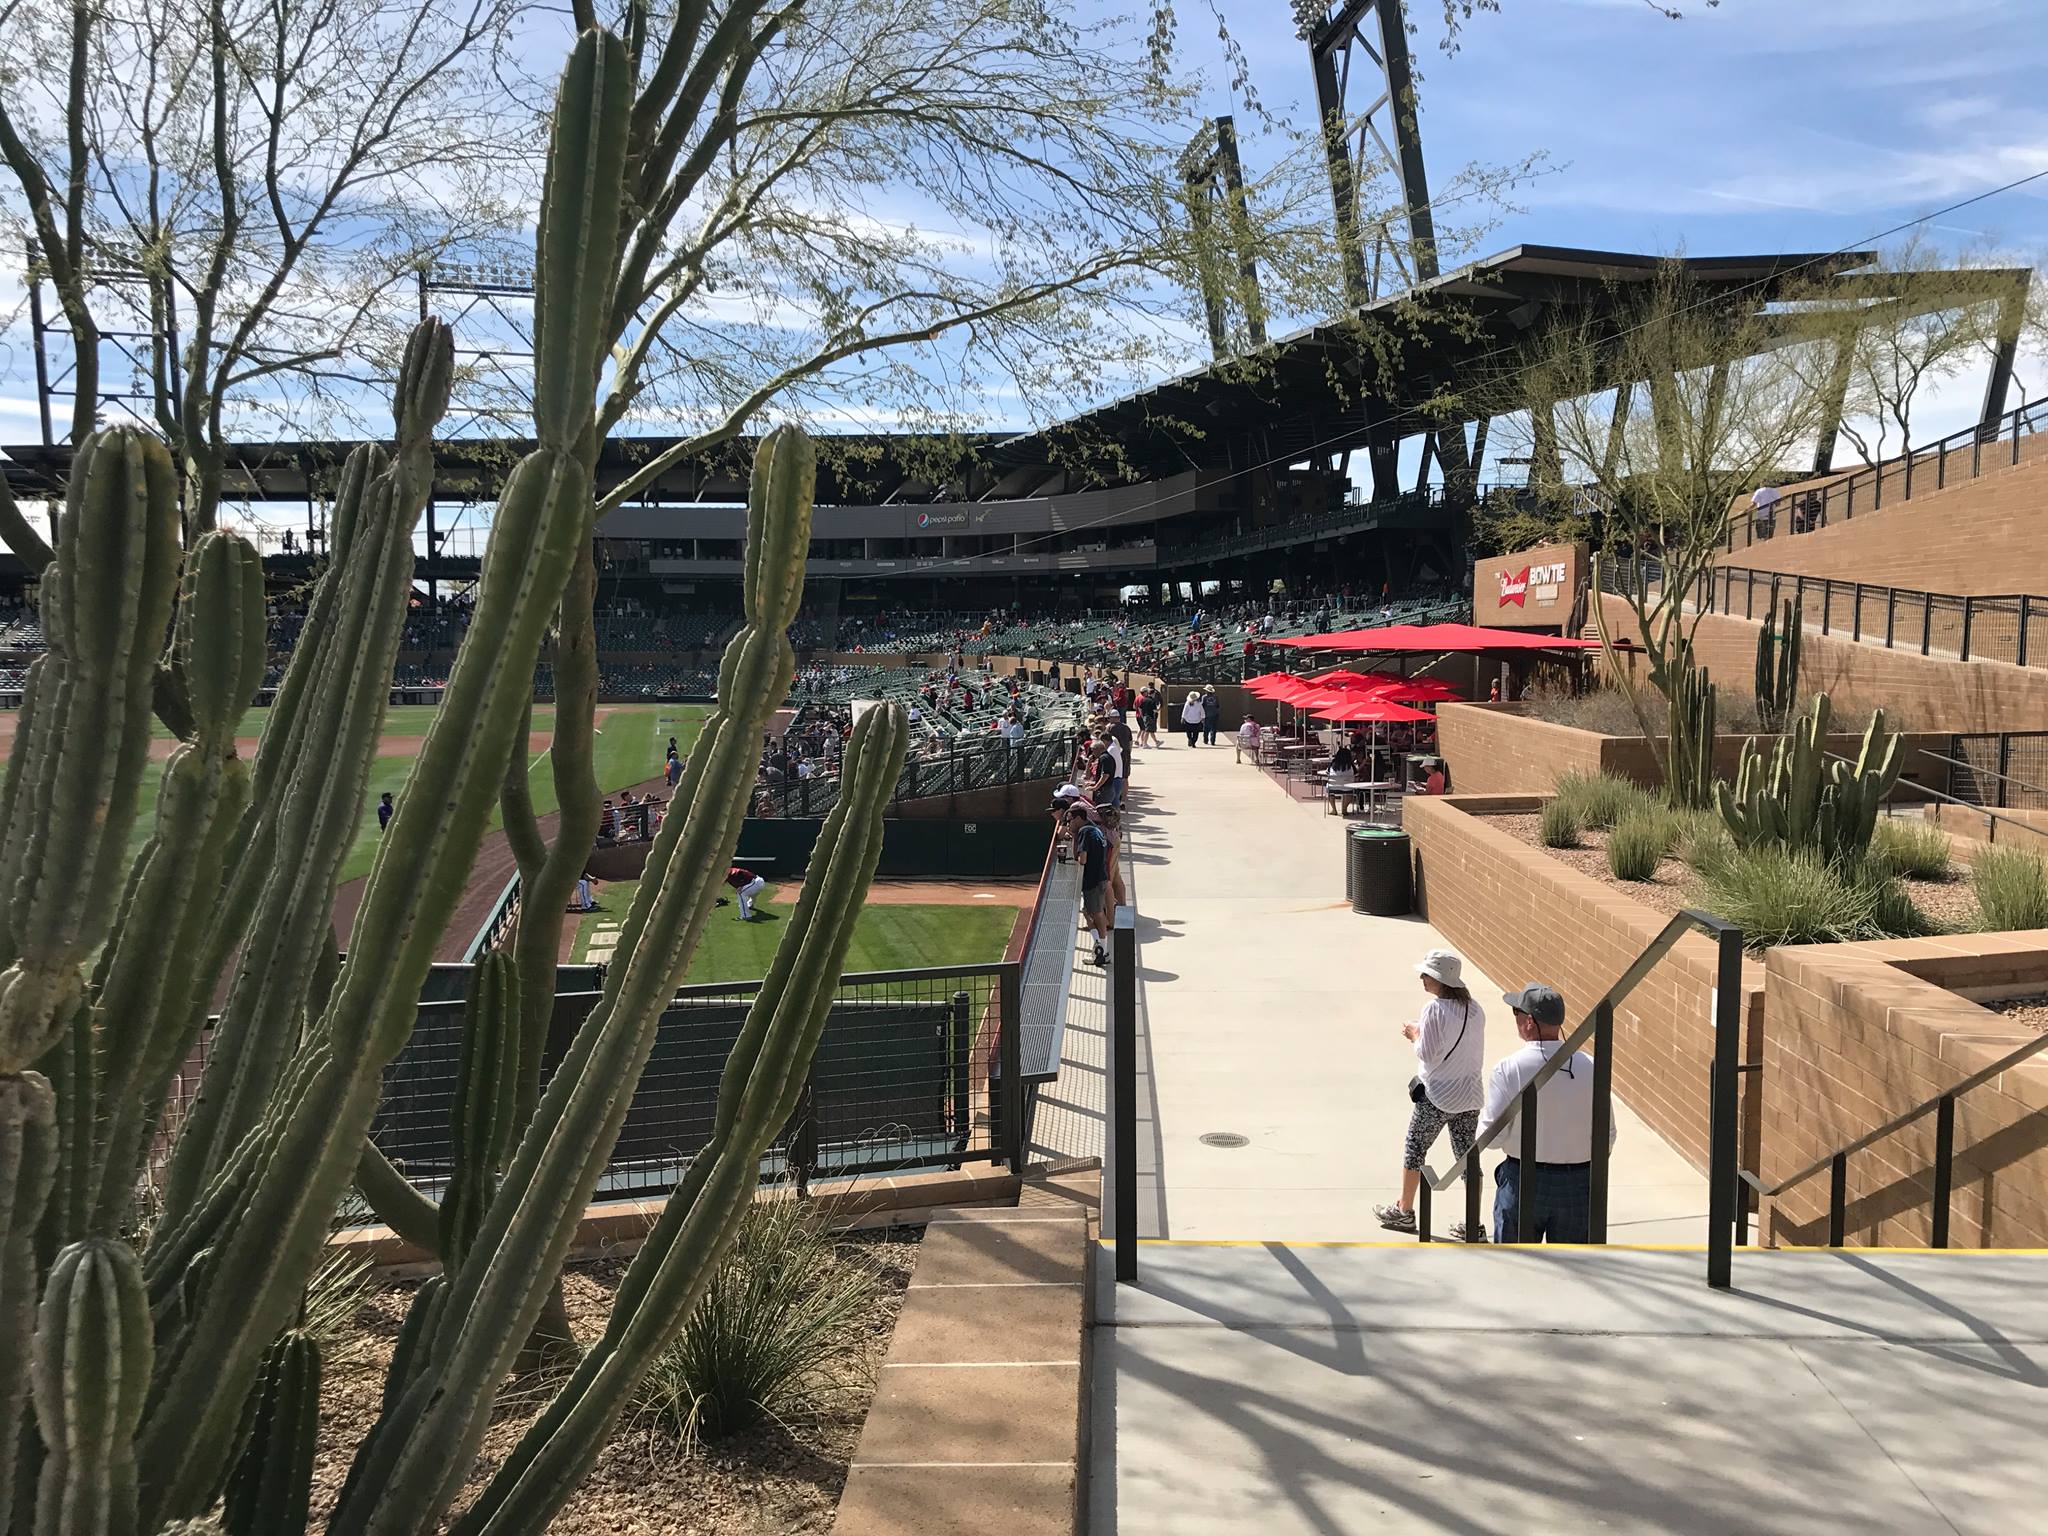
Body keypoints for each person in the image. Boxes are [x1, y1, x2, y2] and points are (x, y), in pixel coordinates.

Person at [1477, 983, 1615, 1244]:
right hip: (1578, 1184)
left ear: (1529, 1022)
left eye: (1516, 1013)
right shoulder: (1591, 1066)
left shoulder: (1508, 1069)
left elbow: (1491, 1137)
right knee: (1573, 1271)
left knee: (1517, 1269)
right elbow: (1607, 1133)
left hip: (1522, 1181)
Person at [1375, 951, 1486, 1234]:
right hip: (1469, 1095)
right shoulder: (1475, 1009)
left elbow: (1427, 1055)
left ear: (1440, 980)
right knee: (1466, 1157)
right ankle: (1474, 1223)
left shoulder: (1433, 1010)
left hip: (1437, 1096)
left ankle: (1404, 1211)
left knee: (1415, 1149)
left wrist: (1415, 1033)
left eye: (1426, 974)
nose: (1422, 978)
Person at [1075, 804, 1112, 966]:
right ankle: (1100, 947)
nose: (1068, 823)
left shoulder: (1084, 831)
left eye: (1069, 820)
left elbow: (1083, 859)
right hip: (1101, 877)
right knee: (1089, 912)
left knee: (1096, 914)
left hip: (1093, 880)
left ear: (1078, 819)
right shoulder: (1094, 829)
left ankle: (1102, 951)